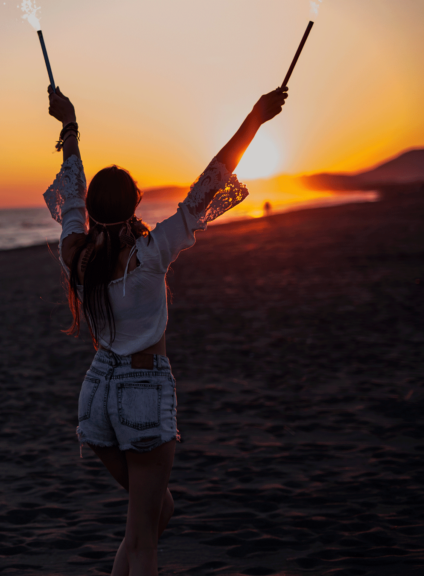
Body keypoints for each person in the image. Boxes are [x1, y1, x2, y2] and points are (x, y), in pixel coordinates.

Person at [43, 85, 286, 575]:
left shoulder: (77, 254)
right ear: (136, 203)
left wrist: (69, 126)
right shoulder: (152, 252)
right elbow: (212, 179)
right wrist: (255, 120)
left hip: (95, 394)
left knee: (154, 516)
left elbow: (71, 190)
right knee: (144, 540)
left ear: (92, 209)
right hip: (142, 392)